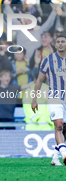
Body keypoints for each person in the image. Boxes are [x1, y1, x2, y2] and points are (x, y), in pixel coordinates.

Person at [32, 35, 66, 165]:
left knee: (65, 129)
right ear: (55, 45)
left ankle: (55, 157)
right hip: (54, 97)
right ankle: (64, 155)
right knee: (58, 125)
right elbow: (39, 80)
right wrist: (34, 98)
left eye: (63, 42)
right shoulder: (47, 60)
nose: (61, 44)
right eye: (58, 42)